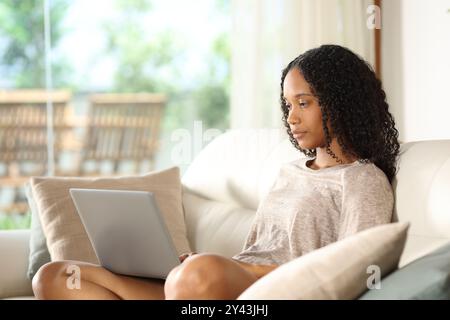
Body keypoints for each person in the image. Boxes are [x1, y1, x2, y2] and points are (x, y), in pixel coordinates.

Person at [32, 44, 400, 300]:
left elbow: (352, 273)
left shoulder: (363, 181)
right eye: (288, 104)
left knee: (196, 275)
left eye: (303, 103)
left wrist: (220, 270)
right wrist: (208, 269)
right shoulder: (290, 171)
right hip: (213, 290)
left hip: (265, 292)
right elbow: (254, 251)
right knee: (56, 276)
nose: (291, 117)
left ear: (341, 102)